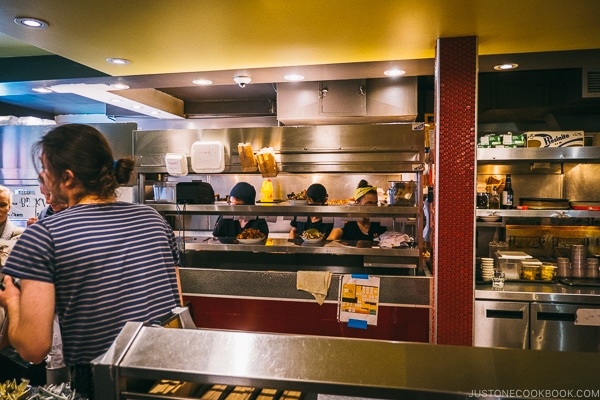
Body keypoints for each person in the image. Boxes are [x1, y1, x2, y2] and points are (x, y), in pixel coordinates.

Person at [0, 124, 181, 398]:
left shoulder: (44, 235)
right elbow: (175, 300)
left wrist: (11, 300)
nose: (42, 178)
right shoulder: (153, 220)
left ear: (68, 178)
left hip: (105, 385)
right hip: (169, 374)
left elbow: (33, 348)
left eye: (45, 169)